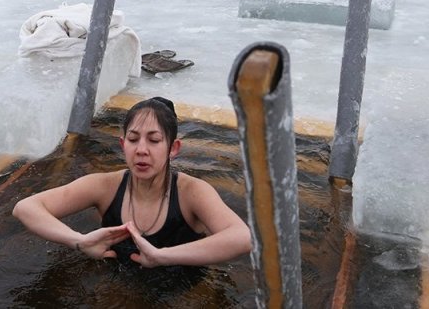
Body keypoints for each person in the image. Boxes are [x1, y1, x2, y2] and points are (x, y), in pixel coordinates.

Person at [13, 97, 252, 268]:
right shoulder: (104, 186)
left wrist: (163, 256)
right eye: (133, 139)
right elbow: (25, 208)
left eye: (154, 140)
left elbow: (243, 238)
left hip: (182, 289)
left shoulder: (192, 192)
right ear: (122, 145)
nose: (141, 150)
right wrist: (79, 241)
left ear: (173, 148)